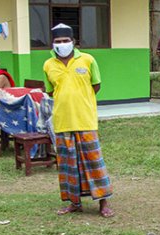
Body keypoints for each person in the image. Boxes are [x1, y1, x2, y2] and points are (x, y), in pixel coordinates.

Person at [43, 23, 113, 218]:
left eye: (66, 41)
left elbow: (96, 86)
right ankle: (74, 203)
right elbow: (51, 91)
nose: (62, 44)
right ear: (53, 44)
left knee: (94, 162)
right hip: (62, 121)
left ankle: (103, 203)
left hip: (85, 120)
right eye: (58, 41)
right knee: (68, 165)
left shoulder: (88, 60)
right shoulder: (48, 65)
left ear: (73, 42)